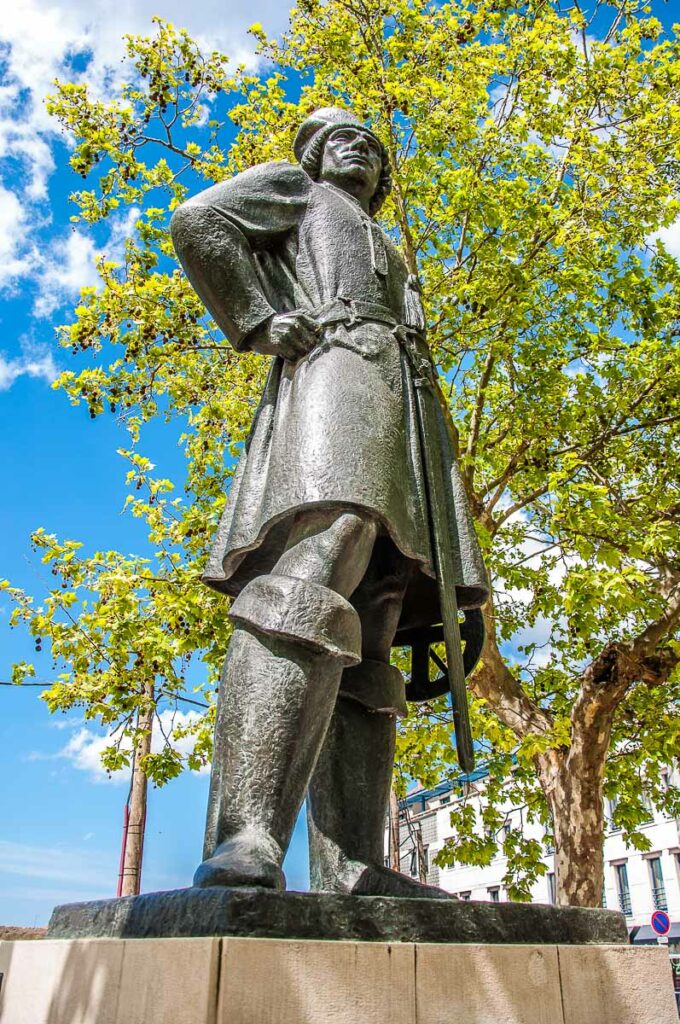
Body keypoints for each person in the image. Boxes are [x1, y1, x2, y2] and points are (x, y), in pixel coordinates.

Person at [171, 107, 488, 896]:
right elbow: (199, 220)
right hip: (337, 373)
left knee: (381, 602)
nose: (360, 152)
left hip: (410, 406)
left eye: (375, 150)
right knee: (325, 546)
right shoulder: (300, 194)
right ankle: (244, 836)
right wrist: (258, 317)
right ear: (314, 154)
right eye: (343, 140)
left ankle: (352, 867)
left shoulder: (387, 241)